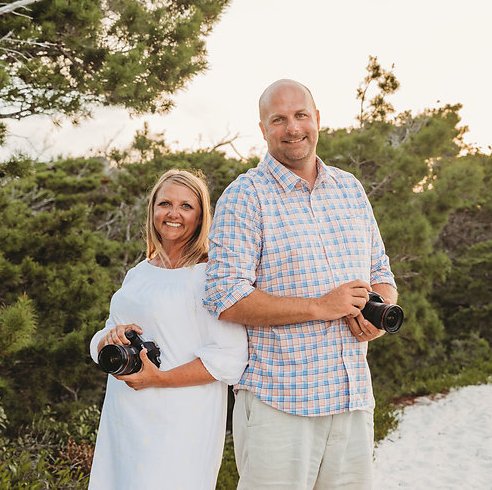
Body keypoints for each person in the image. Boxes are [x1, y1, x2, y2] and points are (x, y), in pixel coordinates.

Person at [204, 79, 398, 489]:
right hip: (280, 404)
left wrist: (379, 315)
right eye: (279, 119)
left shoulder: (350, 189)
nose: (292, 128)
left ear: (318, 119)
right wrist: (318, 307)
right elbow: (225, 296)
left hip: (352, 398)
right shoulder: (244, 196)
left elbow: (382, 271)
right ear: (263, 129)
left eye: (300, 115)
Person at [88, 169, 248, 490]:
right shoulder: (138, 273)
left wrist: (158, 379)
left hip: (179, 421)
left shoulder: (209, 276)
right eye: (165, 204)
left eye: (186, 206)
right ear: (152, 211)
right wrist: (110, 339)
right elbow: (102, 335)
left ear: (201, 216)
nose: (173, 214)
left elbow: (230, 358)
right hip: (124, 415)